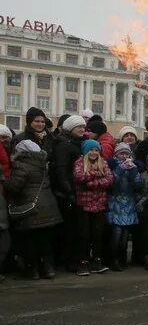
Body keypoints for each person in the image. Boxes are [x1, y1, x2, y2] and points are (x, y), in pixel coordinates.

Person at [4, 140, 63, 279]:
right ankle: (48, 269)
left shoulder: (21, 165)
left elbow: (14, 187)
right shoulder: (43, 164)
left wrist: (5, 182)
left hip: (30, 208)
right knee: (45, 240)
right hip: (48, 206)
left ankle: (33, 270)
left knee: (30, 240)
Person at [51, 114, 87, 273]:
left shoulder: (75, 143)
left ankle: (74, 259)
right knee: (71, 230)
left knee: (77, 229)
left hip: (76, 191)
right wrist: (69, 192)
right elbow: (61, 171)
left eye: (83, 126)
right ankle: (70, 261)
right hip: (67, 194)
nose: (82, 129)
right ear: (70, 128)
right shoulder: (64, 145)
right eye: (78, 126)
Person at [73, 139, 114, 275]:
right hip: (84, 205)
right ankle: (82, 262)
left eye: (96, 150)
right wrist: (96, 173)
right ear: (85, 151)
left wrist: (90, 183)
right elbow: (79, 177)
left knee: (98, 234)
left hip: (99, 205)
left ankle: (97, 260)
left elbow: (109, 180)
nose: (93, 152)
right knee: (84, 234)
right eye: (91, 150)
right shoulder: (79, 163)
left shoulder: (103, 163)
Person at [107, 143, 142, 271]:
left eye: (126, 154)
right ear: (116, 154)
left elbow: (138, 184)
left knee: (125, 236)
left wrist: (133, 171)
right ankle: (114, 259)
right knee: (116, 234)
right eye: (122, 153)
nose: (124, 156)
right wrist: (120, 169)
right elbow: (111, 183)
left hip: (129, 203)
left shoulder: (133, 167)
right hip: (115, 203)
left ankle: (122, 259)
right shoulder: (112, 165)